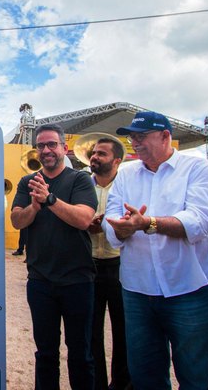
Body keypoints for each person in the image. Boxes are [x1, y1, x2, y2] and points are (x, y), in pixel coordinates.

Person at [103, 111, 208, 390]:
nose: (134, 143)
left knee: (196, 375)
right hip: (138, 290)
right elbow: (112, 222)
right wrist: (120, 228)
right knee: (145, 374)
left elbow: (199, 221)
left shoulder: (198, 169)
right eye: (132, 137)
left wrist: (147, 223)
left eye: (141, 136)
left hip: (189, 288)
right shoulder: (126, 175)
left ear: (166, 136)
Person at [10, 123, 98, 389]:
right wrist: (34, 208)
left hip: (77, 280)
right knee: (45, 353)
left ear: (64, 148)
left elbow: (84, 219)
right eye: (41, 145)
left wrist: (50, 200)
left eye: (52, 145)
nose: (46, 150)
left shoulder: (80, 179)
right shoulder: (28, 182)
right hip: (40, 281)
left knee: (81, 353)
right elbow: (17, 220)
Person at [87, 137, 130, 390]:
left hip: (121, 266)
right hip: (89, 265)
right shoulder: (82, 185)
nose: (94, 157)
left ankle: (122, 385)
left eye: (101, 154)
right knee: (90, 332)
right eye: (93, 153)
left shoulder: (127, 186)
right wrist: (87, 226)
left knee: (125, 333)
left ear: (116, 161)